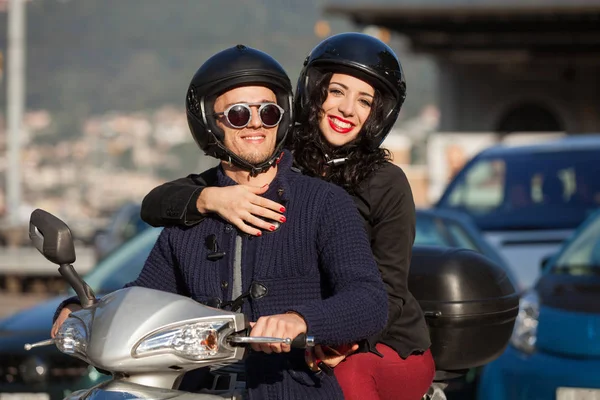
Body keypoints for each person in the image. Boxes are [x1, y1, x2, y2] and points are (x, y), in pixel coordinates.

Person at [51, 44, 388, 400]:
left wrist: (301, 321)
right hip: (193, 391)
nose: (256, 122)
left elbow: (368, 299)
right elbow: (145, 296)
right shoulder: (191, 217)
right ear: (211, 123)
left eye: (269, 112)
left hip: (289, 390)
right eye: (239, 114)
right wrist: (82, 309)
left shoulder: (323, 203)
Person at [139, 33, 435, 400]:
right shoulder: (270, 152)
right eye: (337, 92)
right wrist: (210, 199)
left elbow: (382, 291)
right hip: (288, 343)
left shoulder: (383, 183)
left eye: (364, 101)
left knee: (344, 383)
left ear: (378, 113)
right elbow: (157, 204)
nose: (346, 109)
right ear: (314, 92)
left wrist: (338, 338)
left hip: (376, 340)